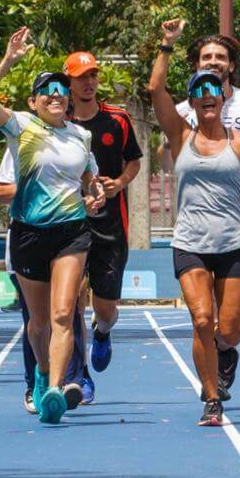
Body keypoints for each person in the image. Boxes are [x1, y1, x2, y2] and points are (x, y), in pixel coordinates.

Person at [149, 18, 240, 428]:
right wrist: (167, 44)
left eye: (213, 90)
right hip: (190, 242)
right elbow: (155, 90)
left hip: (235, 244)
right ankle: (210, 398)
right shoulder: (180, 136)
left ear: (223, 99)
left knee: (230, 330)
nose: (208, 96)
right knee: (202, 319)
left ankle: (225, 354)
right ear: (192, 101)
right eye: (199, 91)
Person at [0, 27, 106, 424]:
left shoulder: (81, 136)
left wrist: (95, 194)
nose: (55, 95)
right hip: (29, 233)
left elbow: (90, 180)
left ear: (68, 99)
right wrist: (8, 60)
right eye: (46, 91)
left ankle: (54, 388)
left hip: (72, 233)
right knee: (37, 324)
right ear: (33, 102)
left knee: (63, 314)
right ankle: (41, 371)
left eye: (60, 90)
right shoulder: (21, 126)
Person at [63, 51, 144, 406]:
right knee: (71, 302)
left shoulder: (118, 120)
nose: (89, 82)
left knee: (105, 308)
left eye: (93, 75)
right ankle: (80, 375)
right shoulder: (58, 122)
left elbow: (135, 161)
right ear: (69, 82)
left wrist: (120, 183)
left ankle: (102, 332)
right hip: (70, 224)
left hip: (111, 227)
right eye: (82, 76)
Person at [0, 150, 39, 414]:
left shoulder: (77, 139)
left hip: (66, 240)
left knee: (63, 316)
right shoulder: (19, 146)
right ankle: (35, 384)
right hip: (26, 241)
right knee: (34, 319)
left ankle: (63, 379)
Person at [174, 33, 240, 132]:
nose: (213, 62)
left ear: (231, 66)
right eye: (207, 57)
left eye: (220, 57)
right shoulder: (181, 112)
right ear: (197, 66)